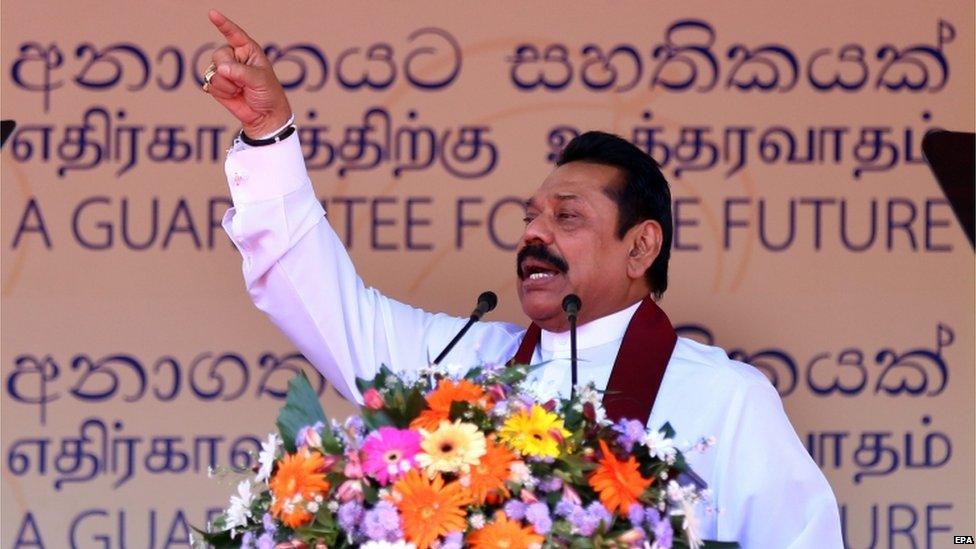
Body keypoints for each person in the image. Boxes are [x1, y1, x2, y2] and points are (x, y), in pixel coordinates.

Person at [203, 10, 844, 548]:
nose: (535, 234)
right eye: (530, 216)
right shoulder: (463, 366)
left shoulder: (726, 399)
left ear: (641, 245)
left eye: (567, 217)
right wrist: (268, 137)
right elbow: (316, 295)